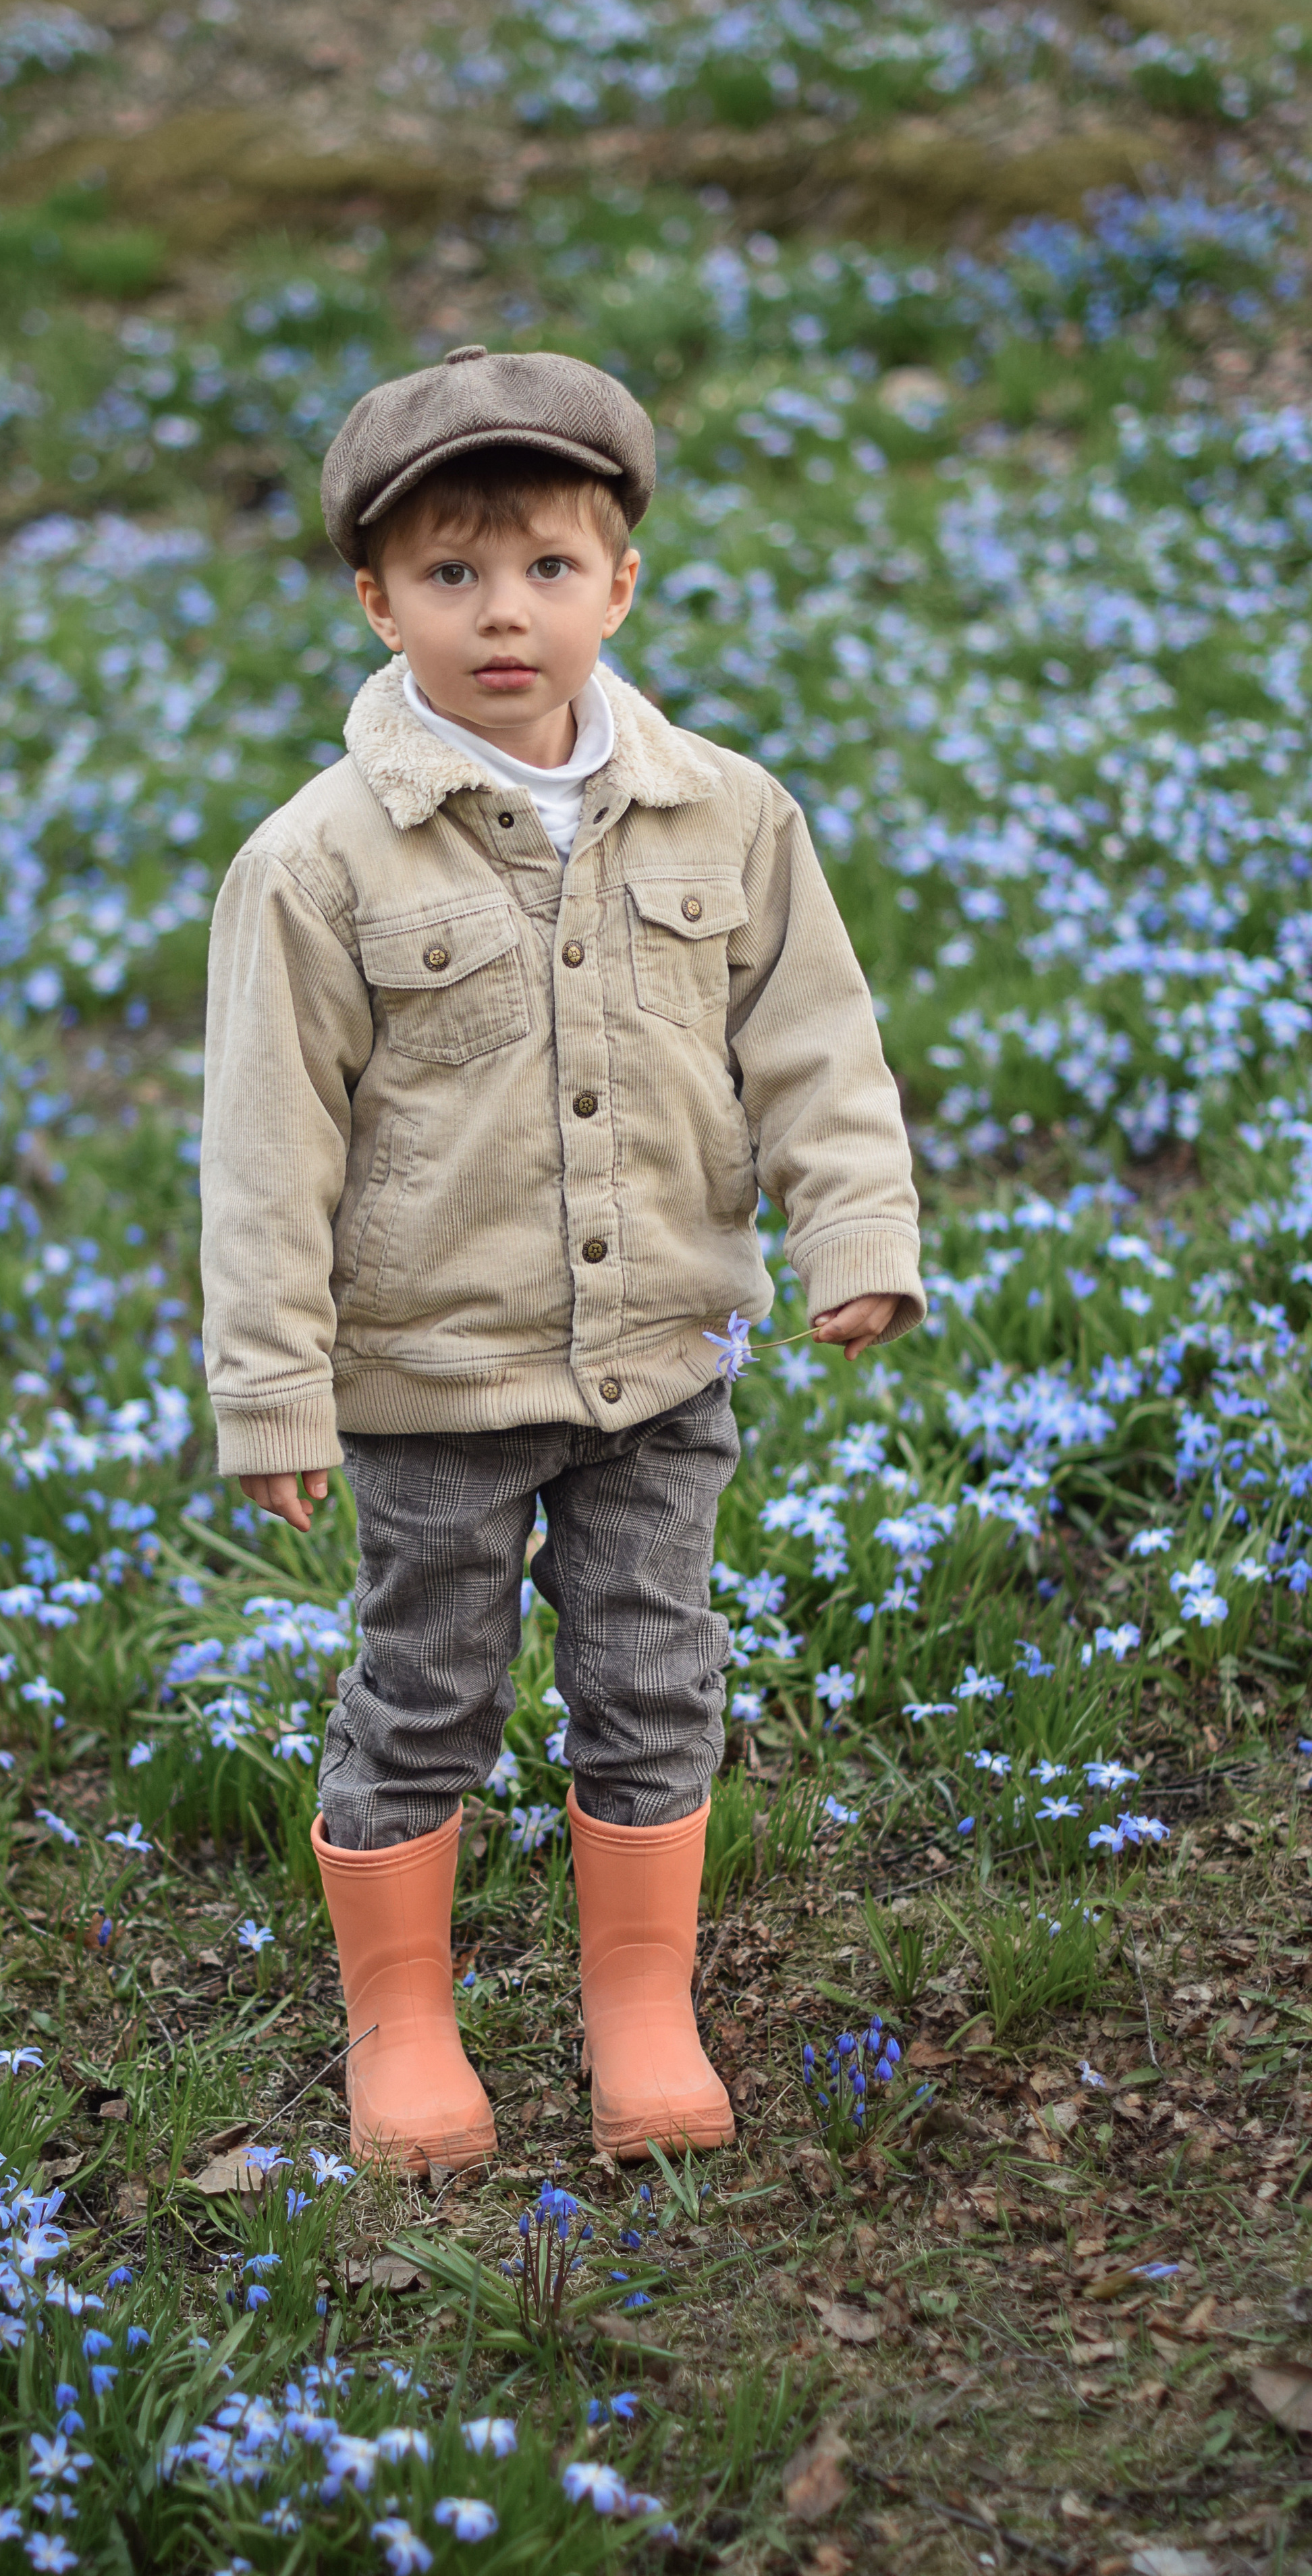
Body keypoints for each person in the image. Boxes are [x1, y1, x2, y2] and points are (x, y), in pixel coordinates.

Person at [200, 343, 923, 2168]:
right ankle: (404, 2018)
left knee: (653, 1670)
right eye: (450, 574)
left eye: (543, 568)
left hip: (662, 1355)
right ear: (375, 600)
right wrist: (271, 1387)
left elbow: (816, 1045)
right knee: (426, 1686)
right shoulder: (314, 863)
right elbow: (268, 1148)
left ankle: (637, 2000)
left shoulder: (732, 815)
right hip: (433, 1380)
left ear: (621, 580)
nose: (500, 613)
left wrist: (855, 1229)